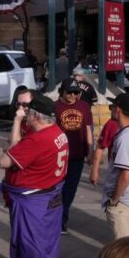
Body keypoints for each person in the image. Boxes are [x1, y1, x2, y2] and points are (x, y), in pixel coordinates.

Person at [1, 95, 68, 258]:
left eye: (28, 112)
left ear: (36, 116)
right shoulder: (57, 133)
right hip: (48, 199)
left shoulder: (38, 139)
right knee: (44, 256)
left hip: (33, 205)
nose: (25, 114)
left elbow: (5, 160)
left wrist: (16, 124)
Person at [98, 95, 129, 239]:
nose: (111, 110)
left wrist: (114, 200)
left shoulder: (126, 138)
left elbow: (125, 175)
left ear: (118, 110)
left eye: (112, 107)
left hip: (124, 203)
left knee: (124, 249)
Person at [53, 81, 93, 232]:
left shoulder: (83, 106)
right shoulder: (55, 107)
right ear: (62, 91)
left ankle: (62, 217)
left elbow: (88, 128)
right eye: (69, 92)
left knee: (70, 189)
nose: (72, 96)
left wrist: (90, 150)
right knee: (57, 188)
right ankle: (58, 218)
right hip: (59, 154)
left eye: (75, 93)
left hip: (77, 154)